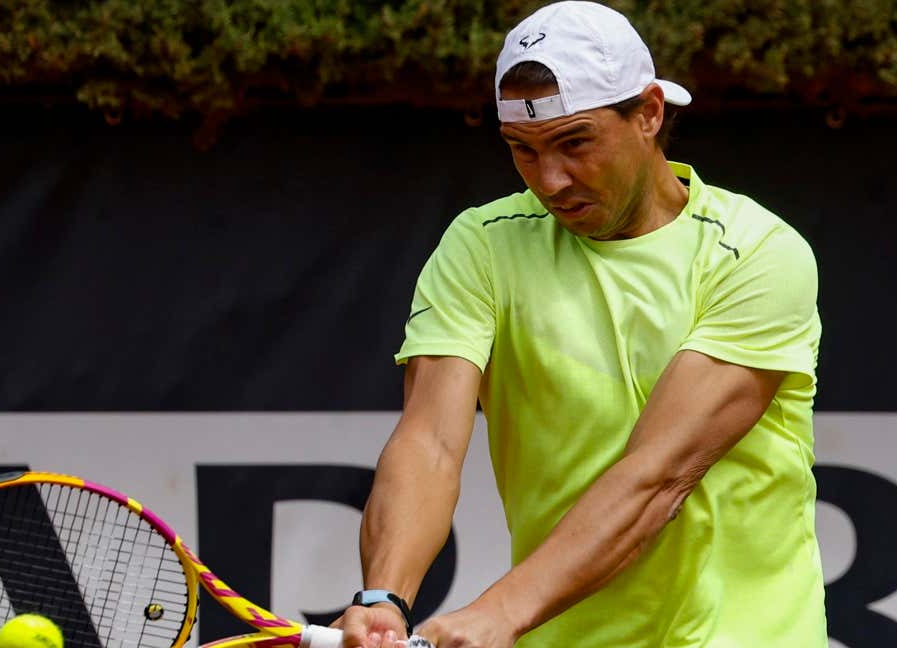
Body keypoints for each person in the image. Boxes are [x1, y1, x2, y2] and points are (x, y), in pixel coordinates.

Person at [332, 2, 826, 646]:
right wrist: (383, 597)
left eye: (575, 143)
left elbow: (658, 475)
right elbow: (430, 442)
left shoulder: (758, 252)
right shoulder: (481, 246)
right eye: (523, 151)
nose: (551, 179)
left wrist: (501, 611)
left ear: (649, 113)